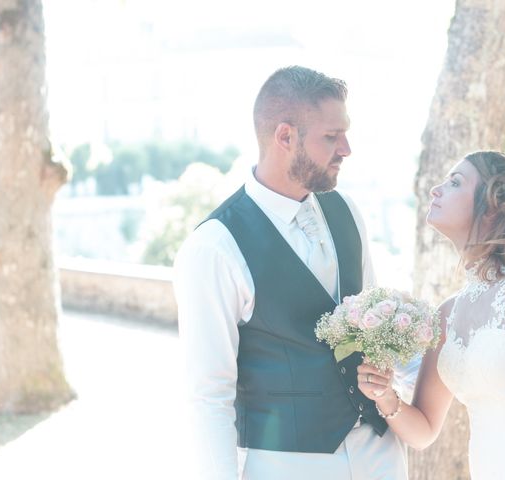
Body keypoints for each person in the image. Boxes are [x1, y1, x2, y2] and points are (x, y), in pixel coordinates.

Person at [174, 66, 414, 480]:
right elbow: (209, 396)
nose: (346, 148)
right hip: (287, 464)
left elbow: (373, 328)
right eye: (331, 136)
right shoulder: (214, 247)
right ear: (285, 137)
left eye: (345, 132)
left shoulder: (347, 211)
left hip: (380, 455)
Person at [358, 151, 505, 479]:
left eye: (455, 182)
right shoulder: (448, 313)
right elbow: (424, 429)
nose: (435, 190)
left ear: (493, 206)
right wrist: (384, 395)